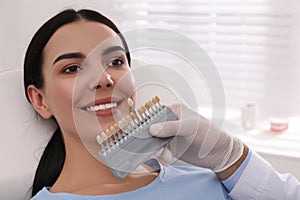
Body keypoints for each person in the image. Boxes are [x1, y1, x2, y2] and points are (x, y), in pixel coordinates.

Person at [24, 8, 300, 200]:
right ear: (40, 100)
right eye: (72, 68)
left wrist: (232, 158)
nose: (104, 78)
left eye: (116, 62)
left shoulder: (212, 181)